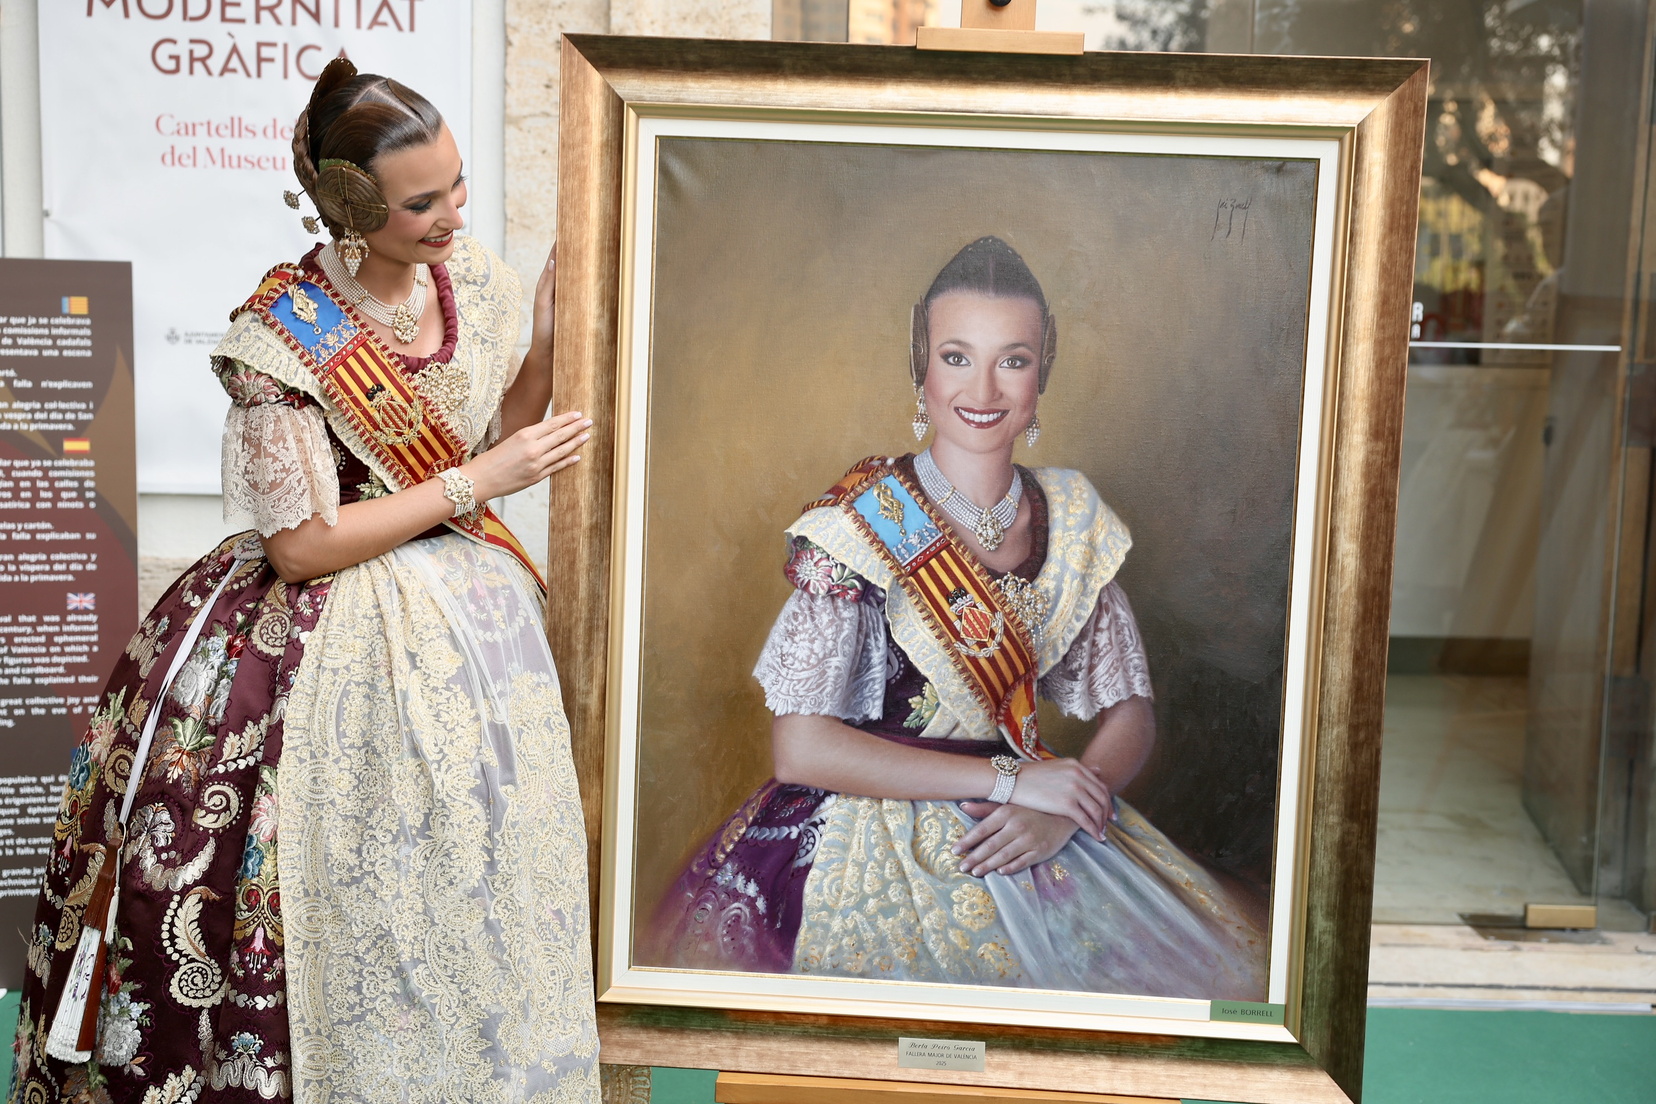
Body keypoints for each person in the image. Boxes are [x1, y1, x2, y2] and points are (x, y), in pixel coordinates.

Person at [10, 58, 599, 1103]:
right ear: (354, 211)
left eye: (457, 185)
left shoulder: (471, 282)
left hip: (470, 639)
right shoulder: (280, 339)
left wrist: (546, 345)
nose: (454, 215)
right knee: (342, 890)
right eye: (423, 203)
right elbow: (301, 546)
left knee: (474, 888)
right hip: (320, 643)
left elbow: (483, 435)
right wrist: (479, 482)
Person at [647, 236, 1267, 1000]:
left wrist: (1070, 808)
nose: (984, 388)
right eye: (956, 356)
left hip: (1033, 816)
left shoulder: (1073, 516)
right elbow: (800, 749)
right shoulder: (860, 523)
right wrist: (1013, 780)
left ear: (1043, 372)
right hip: (867, 824)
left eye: (1014, 360)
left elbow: (1131, 711)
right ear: (922, 366)